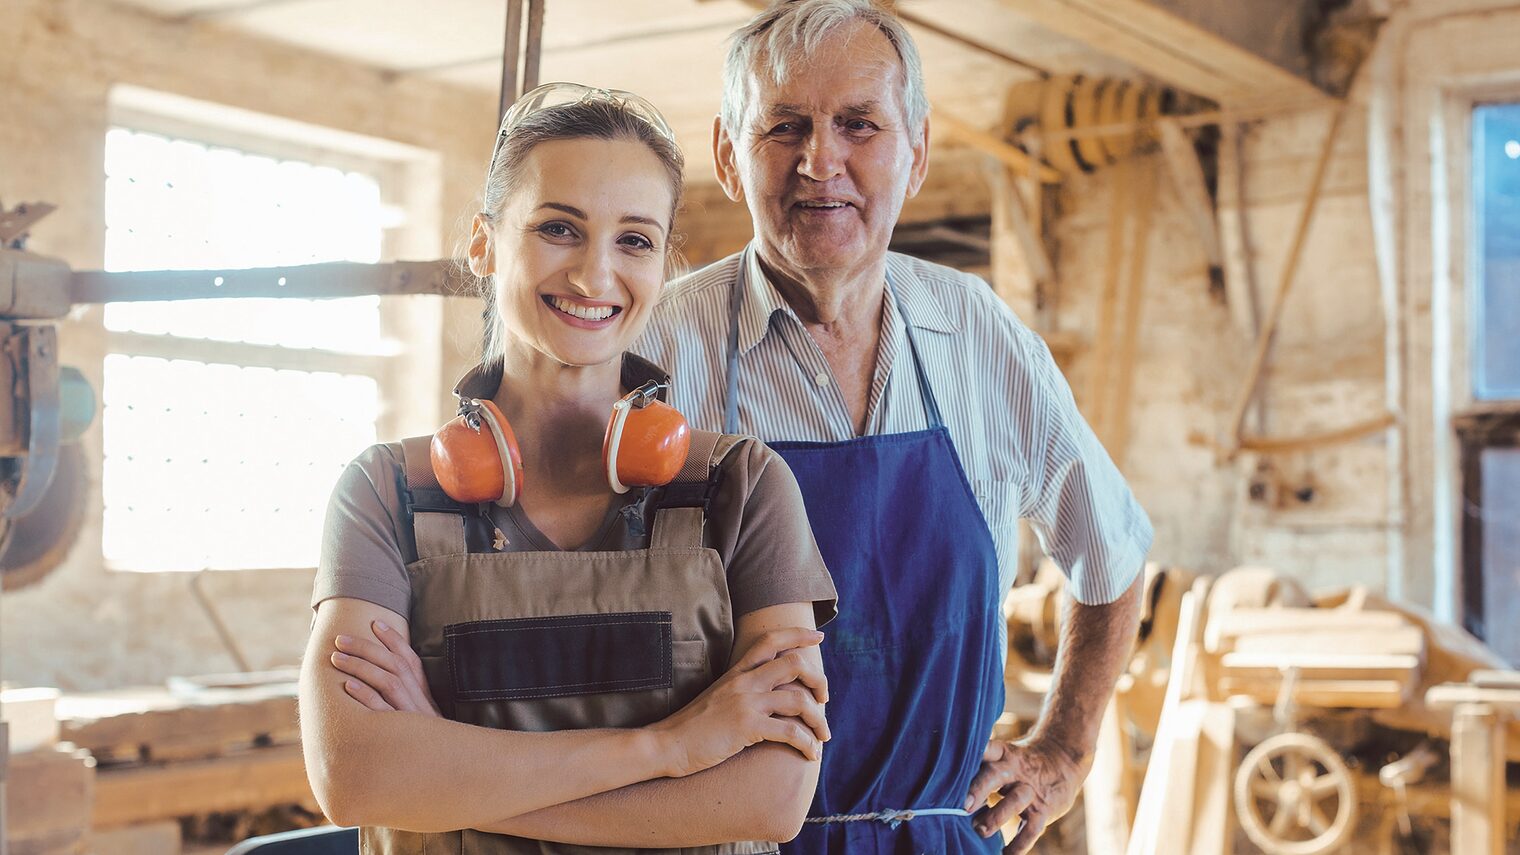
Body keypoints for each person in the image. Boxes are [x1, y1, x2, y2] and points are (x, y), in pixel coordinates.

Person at [631, 2, 1154, 853]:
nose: (820, 161)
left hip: (941, 836)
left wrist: (1064, 749)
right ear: (729, 155)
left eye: (859, 125)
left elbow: (1115, 554)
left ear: (915, 152)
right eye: (784, 126)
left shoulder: (978, 333)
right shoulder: (654, 351)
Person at [297, 84, 838, 855]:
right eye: (559, 228)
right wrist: (674, 747)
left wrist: (444, 775)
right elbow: (355, 775)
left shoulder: (741, 487)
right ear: (484, 243)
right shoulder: (386, 493)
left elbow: (770, 796)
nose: (594, 276)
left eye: (635, 240)